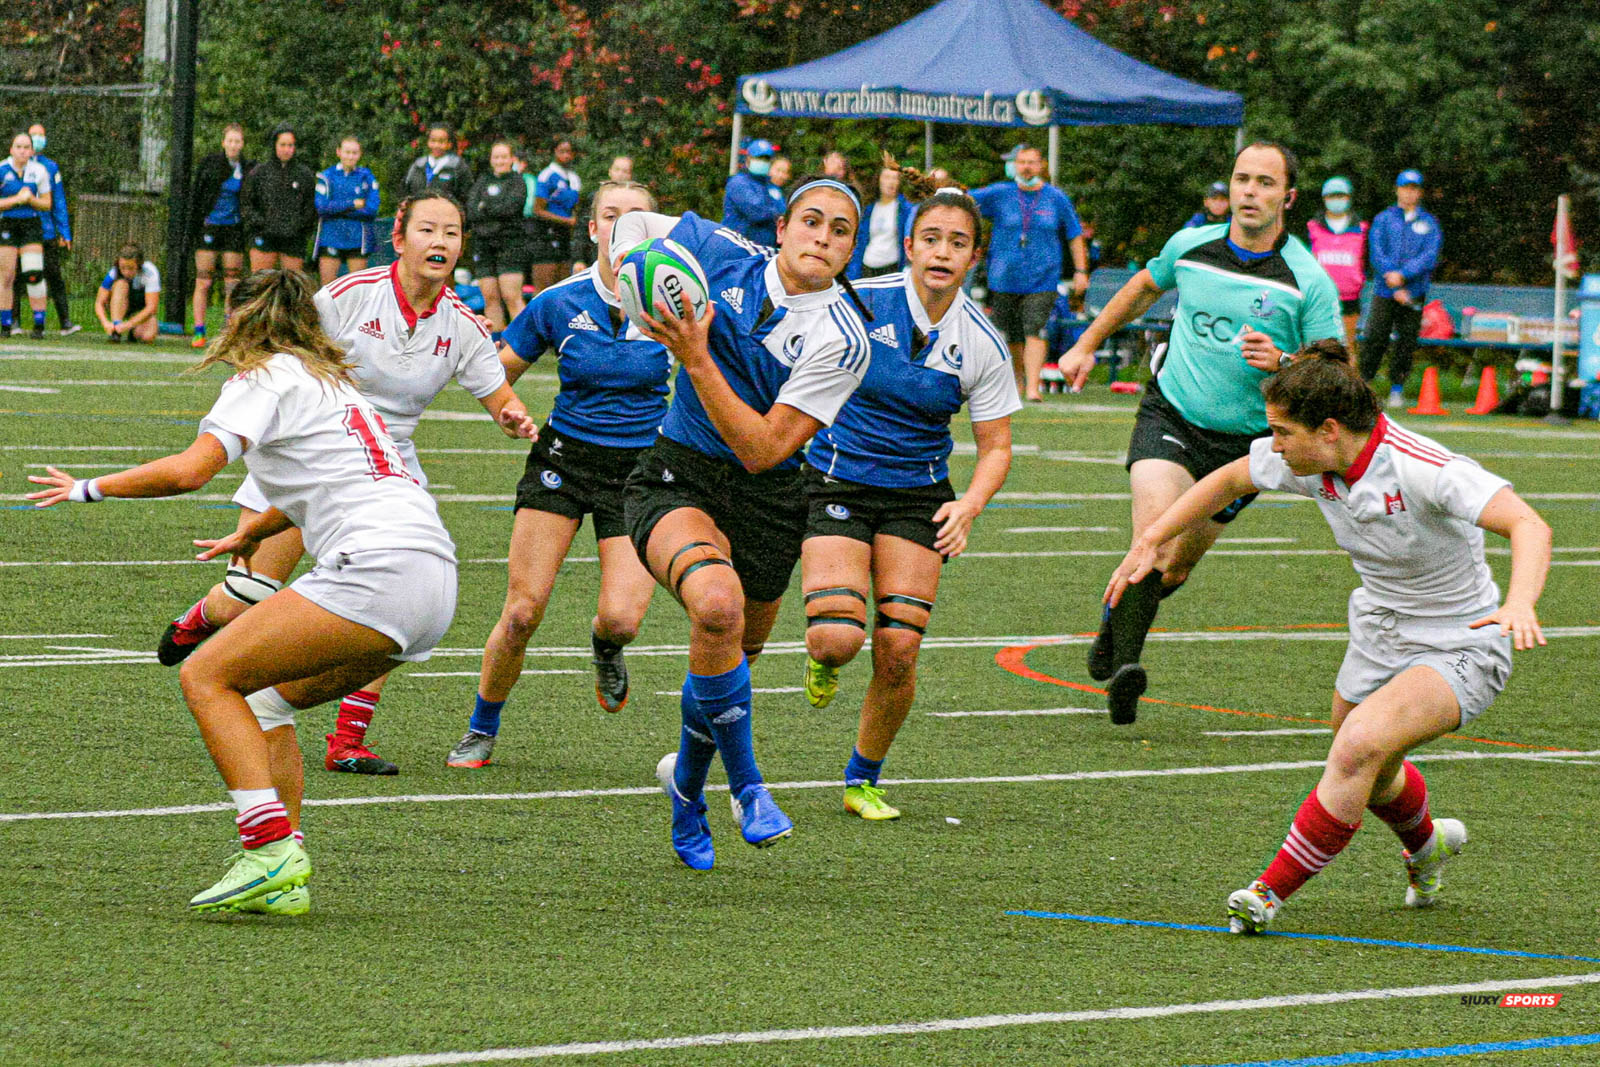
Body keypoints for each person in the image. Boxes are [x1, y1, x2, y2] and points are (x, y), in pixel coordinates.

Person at [28, 269, 466, 916]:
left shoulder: (264, 377)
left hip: (377, 568)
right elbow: (337, 482)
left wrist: (89, 486)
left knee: (207, 674)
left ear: (240, 320)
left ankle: (266, 848)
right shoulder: (336, 385)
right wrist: (256, 530)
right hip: (434, 579)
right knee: (264, 705)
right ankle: (284, 870)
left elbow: (191, 469)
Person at [1105, 341, 1550, 933]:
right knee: (1370, 764)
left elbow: (1528, 523)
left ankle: (1266, 894)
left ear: (1331, 430)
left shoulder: (1422, 467)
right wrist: (1150, 539)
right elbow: (1228, 479)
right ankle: (1427, 845)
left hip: (1461, 641)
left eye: (1283, 432)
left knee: (1358, 746)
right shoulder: (1307, 460)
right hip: (1379, 631)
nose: (1275, 445)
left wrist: (1519, 602)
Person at [155, 193, 536, 776]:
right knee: (252, 595)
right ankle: (203, 617)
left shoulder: (461, 322)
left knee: (381, 606)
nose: (441, 242)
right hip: (314, 446)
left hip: (387, 468)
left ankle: (347, 741)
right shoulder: (350, 296)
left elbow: (498, 392)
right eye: (428, 229)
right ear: (399, 238)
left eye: (452, 233)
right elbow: (286, 342)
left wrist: (511, 415)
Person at [610, 174, 870, 869]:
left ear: (851, 250)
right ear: (780, 229)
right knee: (717, 607)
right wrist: (628, 292)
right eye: (810, 220)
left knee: (732, 658)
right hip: (678, 472)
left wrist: (694, 354)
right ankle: (751, 787)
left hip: (771, 495)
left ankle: (688, 791)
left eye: (840, 229)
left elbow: (761, 449)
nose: (822, 235)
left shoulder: (845, 339)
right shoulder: (717, 250)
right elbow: (631, 228)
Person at [1059, 141, 1343, 725]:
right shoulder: (1191, 247)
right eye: (1242, 179)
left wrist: (1287, 363)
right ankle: (1127, 670)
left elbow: (1339, 372)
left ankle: (1118, 624)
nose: (1249, 192)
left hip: (1246, 447)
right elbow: (1142, 287)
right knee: (1155, 539)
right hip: (1171, 415)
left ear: (1287, 197)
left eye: (1265, 183)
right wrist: (1086, 344)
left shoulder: (1308, 281)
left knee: (1177, 565)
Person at [801, 170, 1019, 820]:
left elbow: (997, 445)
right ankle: (826, 657)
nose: (942, 252)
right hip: (838, 477)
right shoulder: (857, 302)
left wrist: (970, 505)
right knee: (837, 639)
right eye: (931, 238)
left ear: (973, 256)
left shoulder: (982, 341)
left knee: (898, 647)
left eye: (957, 242)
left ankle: (862, 778)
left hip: (918, 494)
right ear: (909, 245)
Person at [445, 180, 669, 769]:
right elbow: (496, 374)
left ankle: (605, 647)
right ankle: (482, 726)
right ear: (593, 229)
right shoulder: (558, 301)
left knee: (622, 618)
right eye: (611, 216)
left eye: (637, 217)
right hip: (562, 465)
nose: (624, 228)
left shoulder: (680, 304)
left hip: (639, 475)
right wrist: (508, 412)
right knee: (522, 612)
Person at [970, 144, 1089, 402]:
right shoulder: (999, 194)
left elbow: (1074, 234)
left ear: (1041, 165)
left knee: (1036, 330)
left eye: (1031, 162)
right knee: (1012, 334)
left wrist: (1081, 270)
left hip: (1043, 278)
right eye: (1021, 162)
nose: (1026, 167)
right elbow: (966, 201)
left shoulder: (1056, 198)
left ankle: (1033, 386)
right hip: (1004, 278)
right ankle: (1018, 381)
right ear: (1014, 165)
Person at [1362, 169, 1442, 408]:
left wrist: (1404, 276)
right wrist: (1392, 278)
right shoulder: (1384, 219)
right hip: (1385, 291)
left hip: (1413, 292)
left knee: (1406, 341)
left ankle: (1397, 387)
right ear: (1397, 190)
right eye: (1405, 188)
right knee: (1375, 337)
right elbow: (1377, 252)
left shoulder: (1428, 223)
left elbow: (1429, 255)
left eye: (1414, 188)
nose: (1409, 193)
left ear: (1420, 192)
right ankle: (1365, 384)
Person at [188, 124, 253, 347]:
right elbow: (197, 196)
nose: (234, 145)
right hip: (210, 227)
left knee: (232, 281)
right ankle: (199, 330)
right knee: (204, 280)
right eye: (230, 141)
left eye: (238, 141)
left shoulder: (247, 167)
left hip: (233, 228)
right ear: (223, 143)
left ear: (242, 144)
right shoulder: (210, 164)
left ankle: (228, 331)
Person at [466, 140, 529, 333]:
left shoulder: (517, 182)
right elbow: (472, 209)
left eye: (504, 157)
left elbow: (510, 208)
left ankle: (522, 344)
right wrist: (490, 210)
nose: (500, 161)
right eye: (496, 157)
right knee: (490, 297)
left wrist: (486, 207)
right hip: (484, 243)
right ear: (491, 159)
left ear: (511, 159)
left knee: (511, 296)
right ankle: (495, 345)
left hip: (510, 243)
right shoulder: (482, 181)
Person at [18, 124, 76, 335]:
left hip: (46, 231)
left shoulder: (50, 167)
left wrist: (64, 231)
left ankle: (65, 322)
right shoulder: (12, 167)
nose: (38, 139)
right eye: (34, 135)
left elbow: (58, 201)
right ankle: (13, 323)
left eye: (42, 135)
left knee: (53, 274)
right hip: (21, 230)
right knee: (16, 275)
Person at [240, 124, 316, 272]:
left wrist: (297, 226)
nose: (287, 149)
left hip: (293, 239)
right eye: (282, 145)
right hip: (264, 236)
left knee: (291, 287)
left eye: (290, 145)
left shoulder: (304, 174)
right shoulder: (259, 173)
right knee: (261, 285)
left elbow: (310, 208)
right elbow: (246, 204)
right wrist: (262, 224)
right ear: (274, 145)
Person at [0, 131, 53, 339]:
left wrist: (30, 199)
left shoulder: (38, 171)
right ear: (11, 149)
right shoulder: (2, 169)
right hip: (8, 224)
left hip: (30, 223)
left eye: (26, 147)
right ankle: (5, 324)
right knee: (7, 275)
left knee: (33, 273)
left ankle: (39, 323)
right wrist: (15, 200)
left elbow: (46, 203)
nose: (22, 151)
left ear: (31, 151)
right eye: (18, 147)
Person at [1306, 176, 1368, 353]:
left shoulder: (1361, 228)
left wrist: (1358, 281)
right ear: (1325, 199)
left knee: (1347, 348)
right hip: (1321, 297)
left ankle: (1349, 381)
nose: (1337, 201)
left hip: (1350, 298)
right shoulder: (1312, 226)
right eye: (1332, 196)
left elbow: (1367, 261)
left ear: (1349, 198)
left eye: (1341, 196)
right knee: (1319, 348)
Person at [313, 135, 380, 285]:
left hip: (357, 239)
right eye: (347, 152)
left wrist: (336, 210)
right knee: (327, 290)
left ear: (360, 154)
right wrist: (352, 204)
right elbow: (321, 208)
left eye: (354, 153)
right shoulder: (326, 176)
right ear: (339, 152)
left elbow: (372, 209)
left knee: (358, 289)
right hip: (331, 237)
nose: (350, 156)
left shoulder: (367, 177)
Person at [527, 138, 581, 298]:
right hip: (546, 236)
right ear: (555, 152)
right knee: (544, 290)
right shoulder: (547, 175)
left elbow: (574, 207)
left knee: (563, 287)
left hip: (565, 237)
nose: (566, 155)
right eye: (562, 151)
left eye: (569, 152)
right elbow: (538, 210)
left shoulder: (574, 177)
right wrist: (567, 221)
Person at [846, 161, 912, 279]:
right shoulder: (869, 209)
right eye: (887, 177)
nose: (891, 182)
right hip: (868, 266)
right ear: (879, 180)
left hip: (891, 267)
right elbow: (860, 241)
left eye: (895, 178)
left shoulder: (904, 209)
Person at [721, 138, 783, 247]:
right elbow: (757, 212)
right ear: (748, 159)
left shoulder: (771, 186)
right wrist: (776, 213)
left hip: (765, 249)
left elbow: (784, 211)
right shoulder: (738, 183)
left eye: (766, 159)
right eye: (759, 158)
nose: (763, 162)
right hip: (738, 247)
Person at [94, 243, 161, 342]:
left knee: (147, 337)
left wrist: (129, 324)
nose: (126, 272)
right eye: (123, 267)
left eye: (130, 268)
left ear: (139, 265)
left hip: (140, 309)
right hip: (120, 306)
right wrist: (105, 323)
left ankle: (131, 330)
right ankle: (116, 331)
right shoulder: (113, 272)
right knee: (121, 284)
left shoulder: (150, 273)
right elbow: (99, 302)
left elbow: (151, 308)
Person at [401, 123, 471, 198]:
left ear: (449, 144)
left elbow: (466, 197)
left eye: (441, 142)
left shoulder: (457, 167)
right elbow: (404, 192)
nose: (436, 145)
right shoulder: (418, 165)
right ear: (428, 142)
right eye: (433, 141)